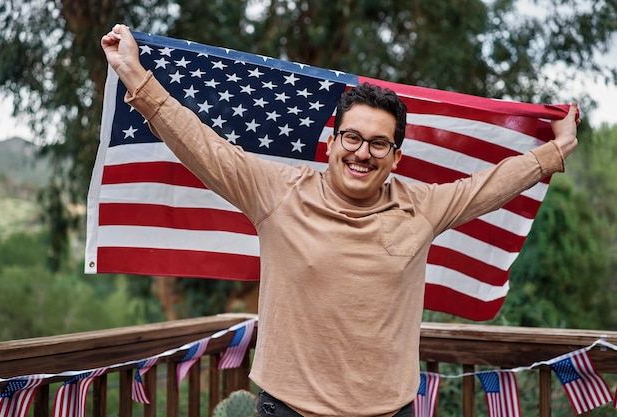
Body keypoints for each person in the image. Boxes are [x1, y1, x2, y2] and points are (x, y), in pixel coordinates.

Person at [101, 24, 579, 417]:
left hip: (392, 412)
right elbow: (201, 145)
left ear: (395, 157)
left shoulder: (424, 206)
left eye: (378, 144)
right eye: (352, 137)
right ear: (331, 142)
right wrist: (136, 78)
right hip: (289, 411)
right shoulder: (276, 192)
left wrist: (556, 149)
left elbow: (492, 184)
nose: (362, 153)